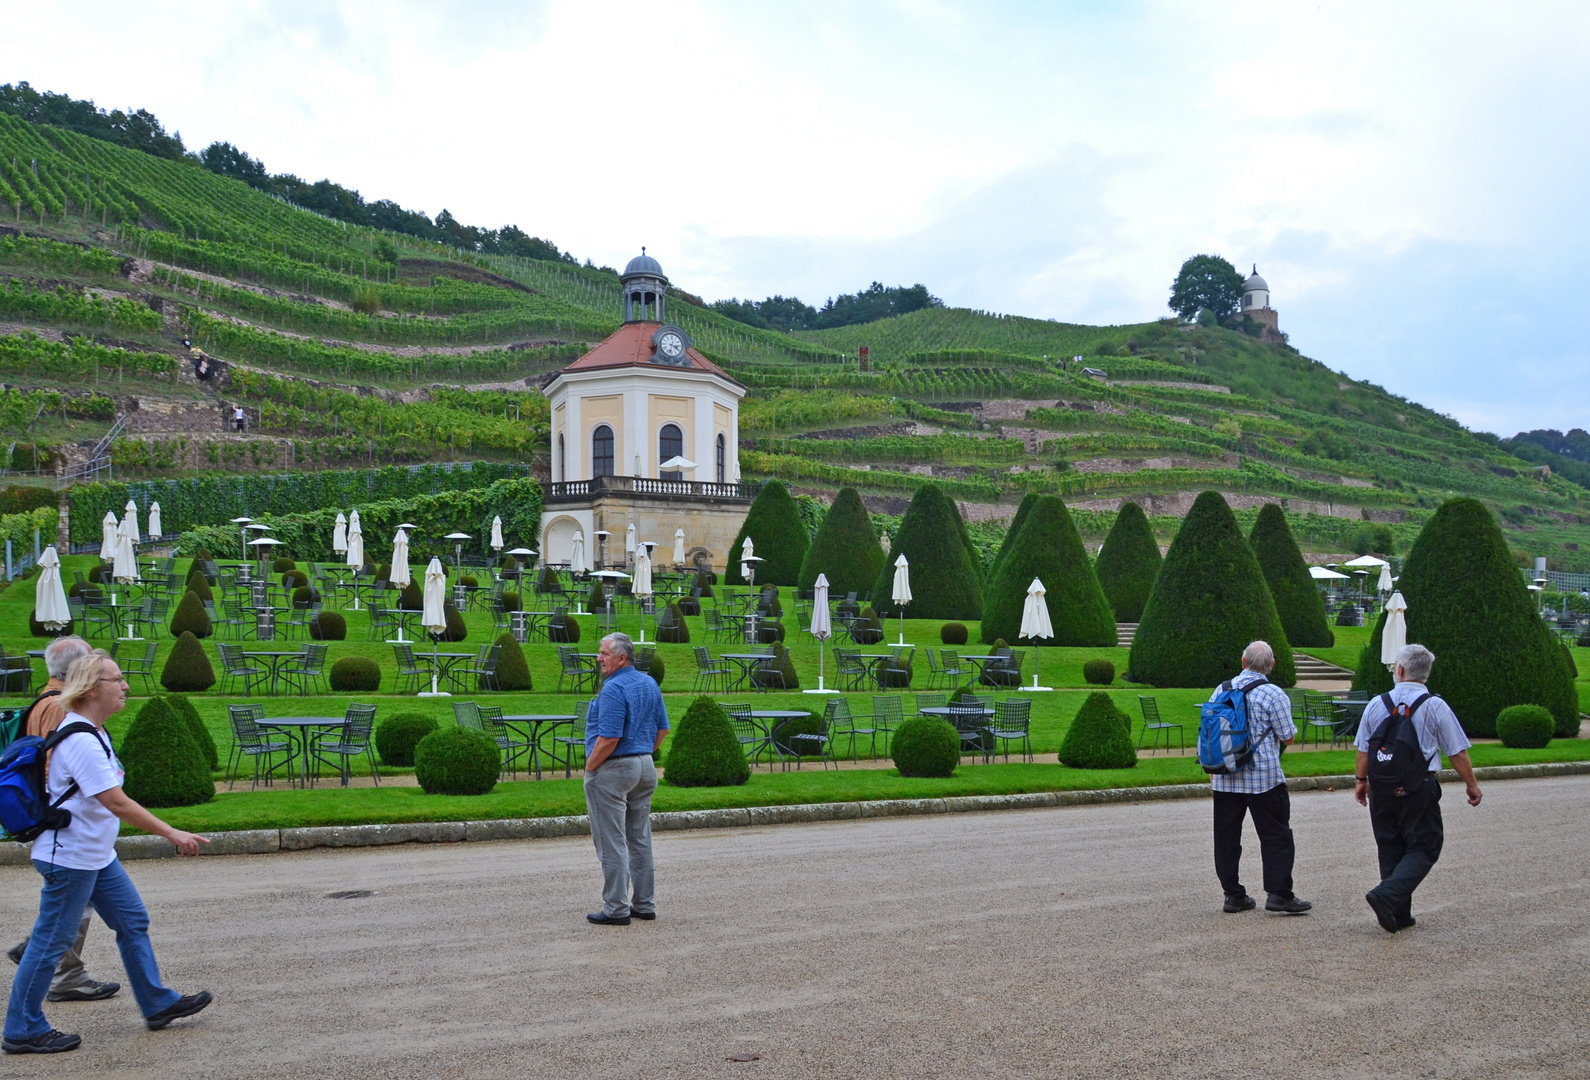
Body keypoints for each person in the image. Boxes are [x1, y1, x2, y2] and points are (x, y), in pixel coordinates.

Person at [3, 650, 212, 1055]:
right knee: (51, 941)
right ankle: (22, 1028)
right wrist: (171, 832)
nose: (125, 686)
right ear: (92, 688)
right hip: (71, 857)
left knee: (132, 920)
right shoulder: (80, 739)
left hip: (95, 855)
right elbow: (115, 802)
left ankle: (157, 1003)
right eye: (118, 679)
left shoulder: (93, 732)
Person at [8, 638, 120, 1007]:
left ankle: (42, 954)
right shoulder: (62, 708)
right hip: (67, 828)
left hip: (61, 824)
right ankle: (62, 976)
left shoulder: (44, 699)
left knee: (75, 905)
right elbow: (64, 766)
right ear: (76, 670)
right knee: (74, 907)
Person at [1353, 643, 1482, 933]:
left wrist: (1362, 782)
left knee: (1389, 847)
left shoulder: (1377, 703)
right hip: (1417, 787)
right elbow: (1456, 751)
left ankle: (1398, 914)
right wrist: (1471, 784)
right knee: (1425, 846)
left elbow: (1363, 750)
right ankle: (1387, 896)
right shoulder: (1435, 705)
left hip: (1382, 789)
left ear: (1399, 670)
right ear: (1426, 673)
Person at [1209, 641, 1312, 915]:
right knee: (1276, 836)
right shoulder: (1272, 693)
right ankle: (1278, 894)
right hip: (1263, 777)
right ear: (1272, 665)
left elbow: (1211, 731)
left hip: (1225, 774)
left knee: (1226, 837)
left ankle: (1233, 895)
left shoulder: (1222, 689)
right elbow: (1287, 736)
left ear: (1243, 662)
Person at [583, 632, 669, 926]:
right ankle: (644, 904)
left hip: (615, 769)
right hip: (645, 767)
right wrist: (642, 754)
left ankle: (616, 908)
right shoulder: (649, 683)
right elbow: (662, 730)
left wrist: (591, 767)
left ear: (622, 658)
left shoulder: (613, 689)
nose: (599, 658)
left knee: (612, 841)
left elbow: (609, 737)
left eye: (604, 653)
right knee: (639, 838)